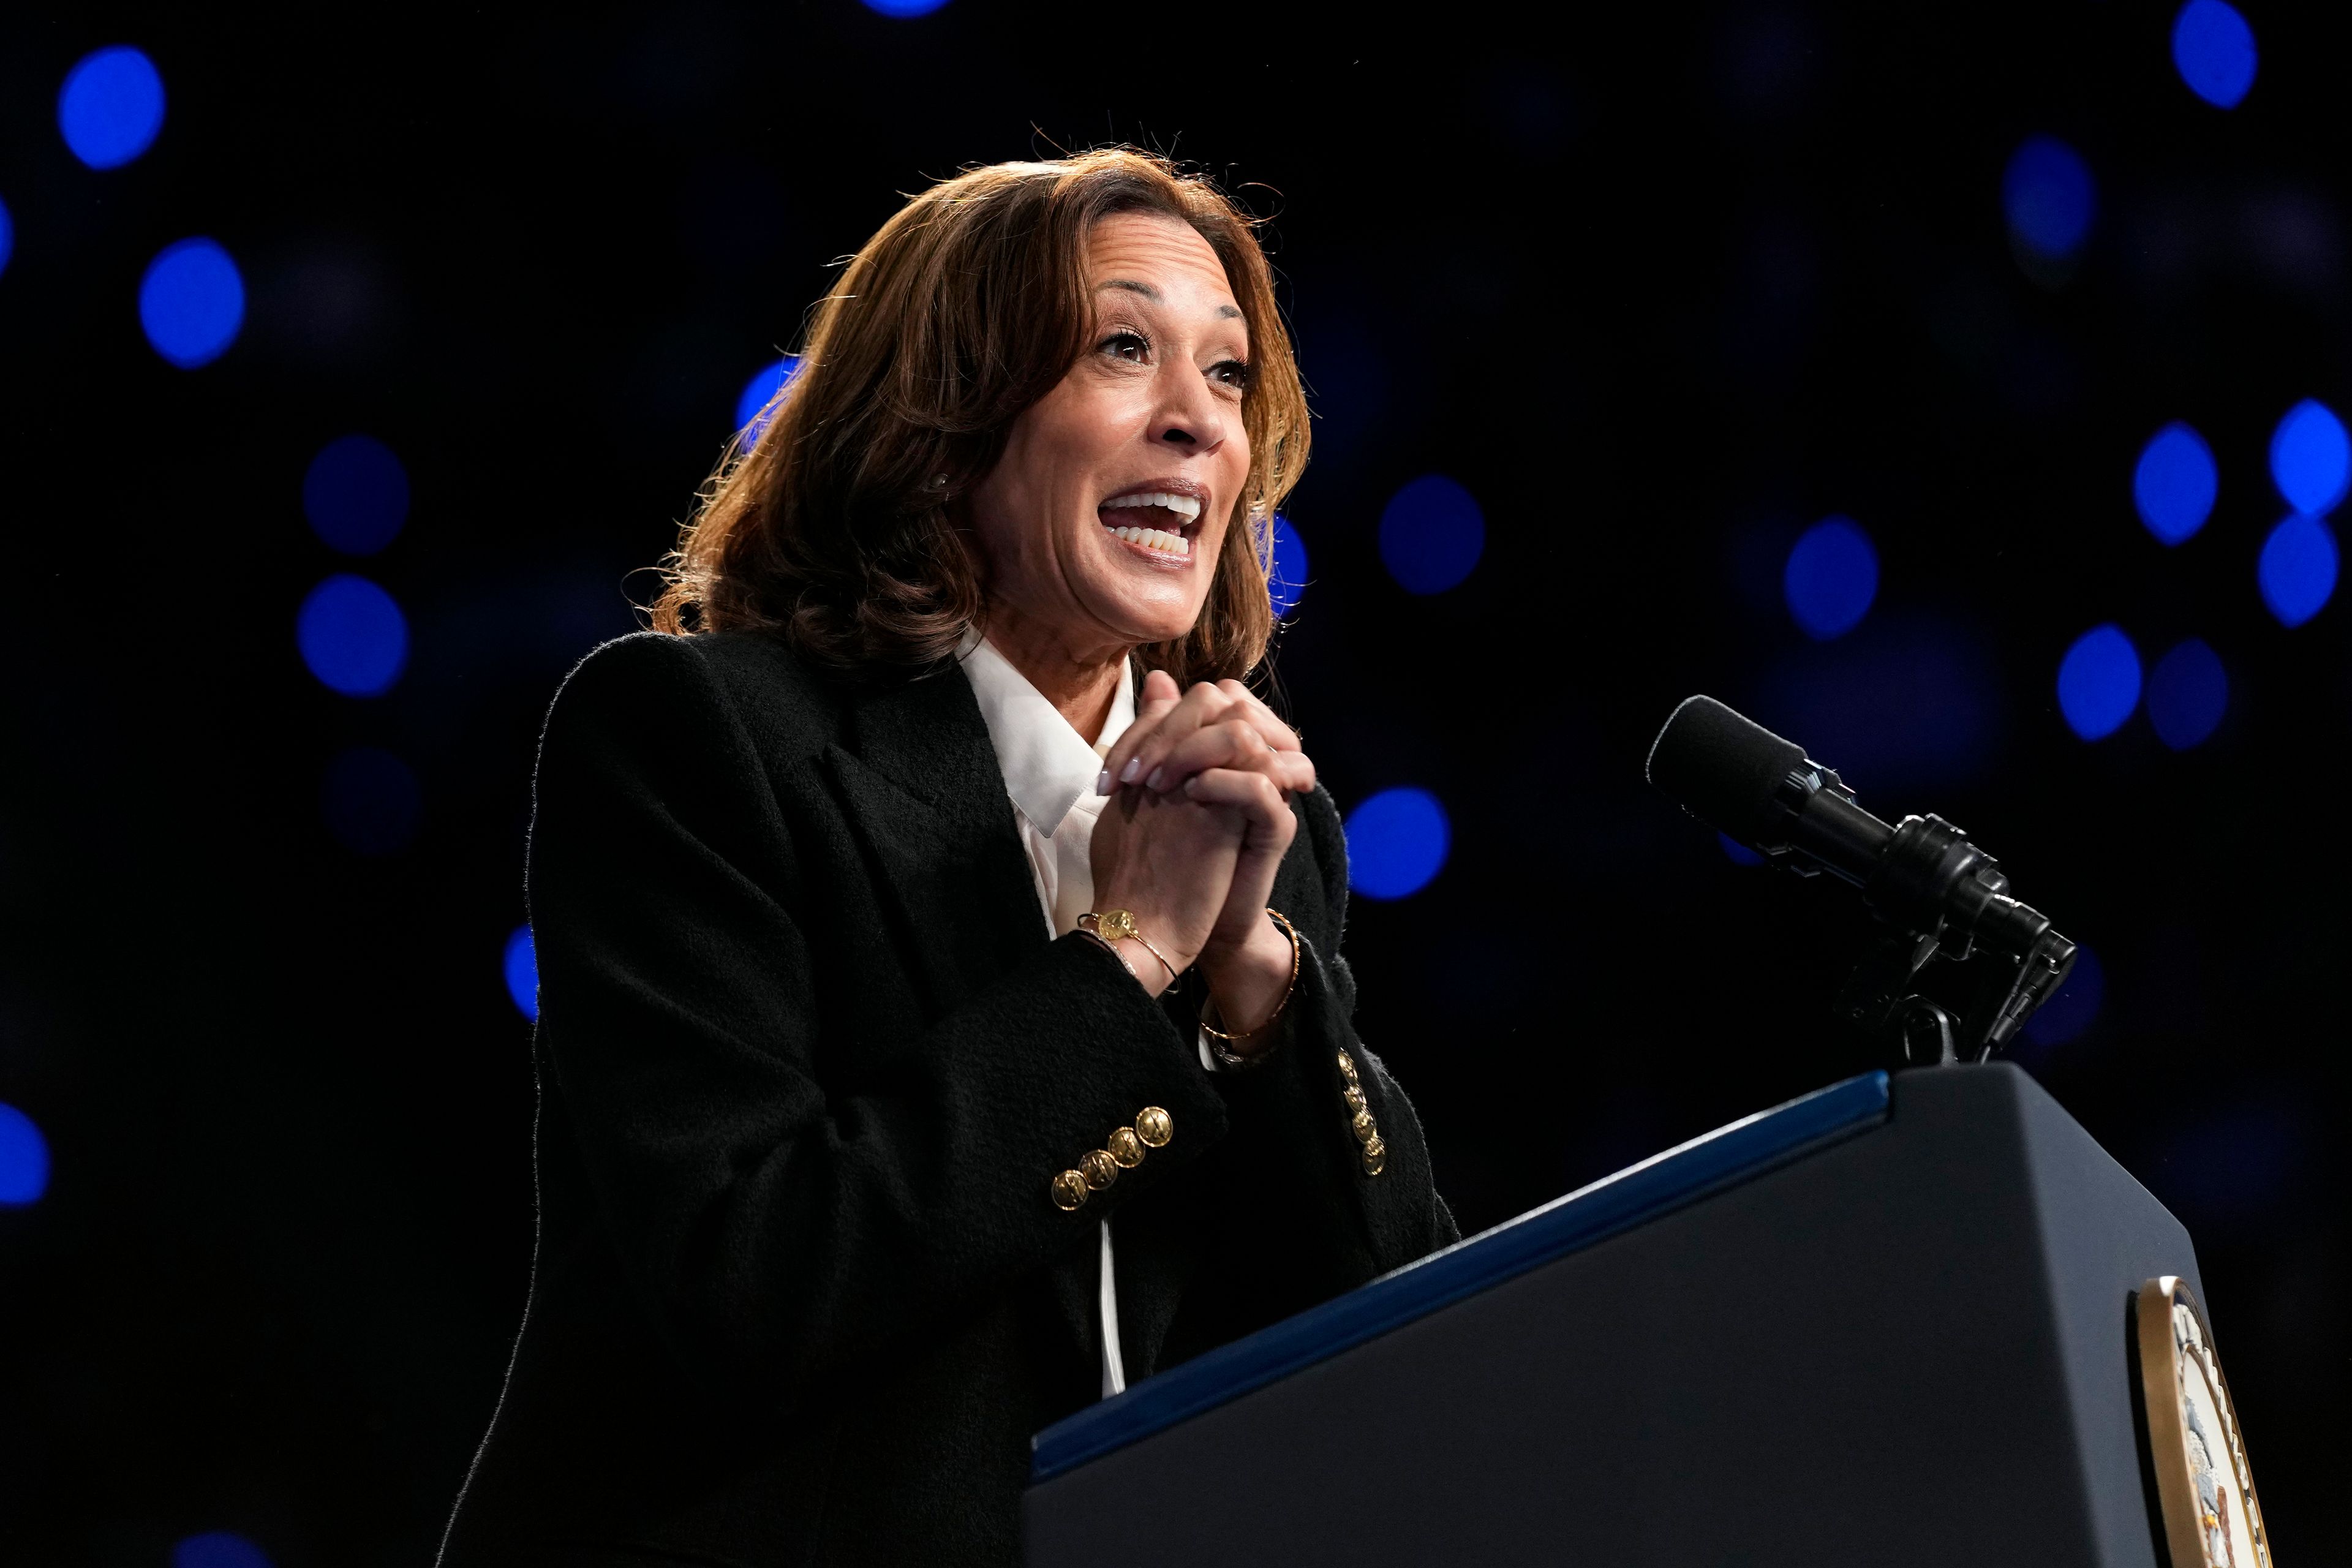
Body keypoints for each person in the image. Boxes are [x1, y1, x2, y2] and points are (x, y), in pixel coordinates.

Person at [437, 148, 1455, 1567]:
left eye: (1227, 377)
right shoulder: (698, 739)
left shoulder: (1267, 837)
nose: (1198, 427)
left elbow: (1399, 1347)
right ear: (945, 418)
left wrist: (1259, 993)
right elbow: (758, 1283)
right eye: (1121, 348)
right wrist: (1127, 954)